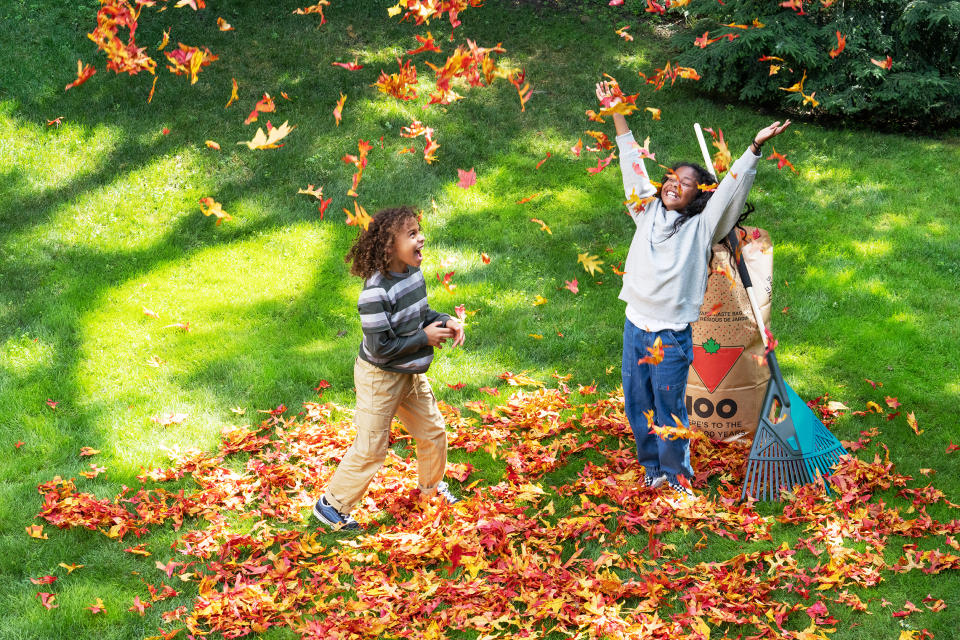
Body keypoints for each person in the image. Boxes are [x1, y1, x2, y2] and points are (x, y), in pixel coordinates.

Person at [596, 80, 790, 498]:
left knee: (669, 409)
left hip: (669, 336)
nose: (672, 184)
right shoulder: (644, 210)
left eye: (684, 183)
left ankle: (676, 476)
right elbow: (631, 162)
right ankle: (653, 469)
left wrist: (753, 149)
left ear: (698, 197)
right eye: (670, 178)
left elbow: (730, 195)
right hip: (635, 328)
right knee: (638, 405)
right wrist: (617, 110)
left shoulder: (702, 229)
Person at [314, 206, 465, 530]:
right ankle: (331, 505)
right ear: (388, 246)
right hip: (379, 378)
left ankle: (431, 489)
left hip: (408, 373)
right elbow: (381, 348)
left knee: (433, 430)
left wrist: (445, 321)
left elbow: (419, 314)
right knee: (371, 448)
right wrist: (424, 337)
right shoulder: (374, 294)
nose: (421, 237)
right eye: (411, 234)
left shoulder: (412, 273)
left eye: (418, 231)